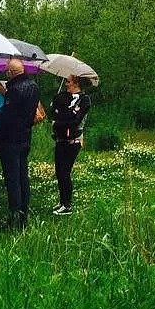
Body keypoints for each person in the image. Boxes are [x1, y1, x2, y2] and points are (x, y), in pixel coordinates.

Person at [0, 58, 40, 229]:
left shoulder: (13, 90)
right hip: (25, 138)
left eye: (7, 71)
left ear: (11, 73)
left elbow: (8, 118)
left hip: (11, 141)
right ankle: (23, 216)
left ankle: (14, 218)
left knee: (12, 180)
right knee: (23, 178)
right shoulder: (34, 87)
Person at [50, 74, 91, 215]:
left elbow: (74, 120)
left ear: (76, 83)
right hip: (60, 138)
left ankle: (67, 205)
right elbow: (56, 112)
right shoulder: (64, 97)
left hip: (74, 140)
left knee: (65, 171)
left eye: (68, 81)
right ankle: (62, 201)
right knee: (58, 171)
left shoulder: (84, 100)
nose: (66, 84)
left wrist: (60, 120)